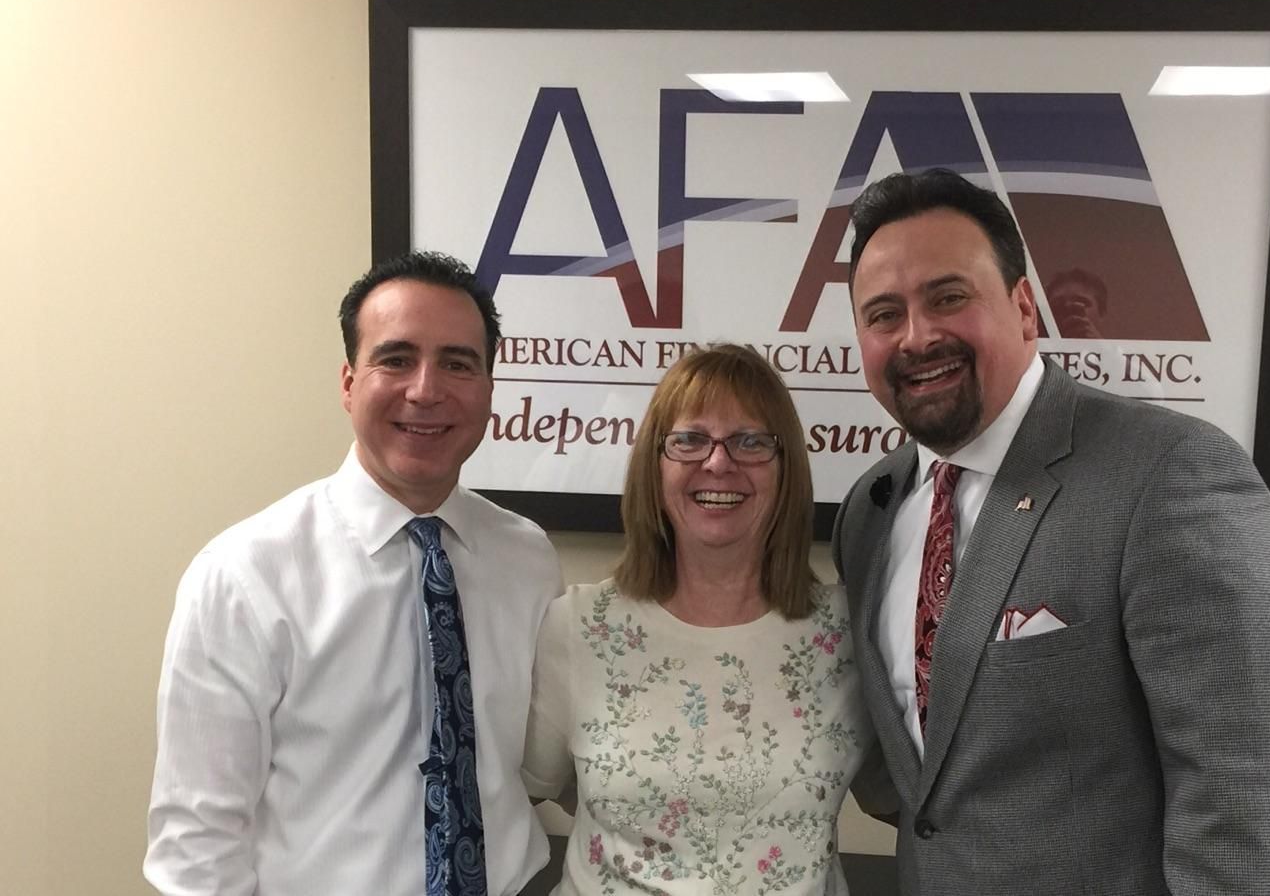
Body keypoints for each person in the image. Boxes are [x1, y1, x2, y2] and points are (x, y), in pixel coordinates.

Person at [832, 169, 1270, 895]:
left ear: (1025, 307)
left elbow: (1246, 791)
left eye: (948, 297)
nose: (918, 336)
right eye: (883, 314)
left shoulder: (1168, 473)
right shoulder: (869, 510)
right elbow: (921, 783)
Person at [145, 251, 563, 896]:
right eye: (395, 359)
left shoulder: (526, 557)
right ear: (347, 382)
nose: (426, 389)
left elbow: (533, 769)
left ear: (488, 389)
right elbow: (196, 842)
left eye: (458, 363)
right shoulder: (243, 575)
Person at [522, 344, 874, 895]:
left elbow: (897, 798)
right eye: (688, 439)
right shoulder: (579, 626)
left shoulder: (847, 633)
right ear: (654, 466)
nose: (717, 462)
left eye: (750, 441)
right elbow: (534, 789)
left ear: (787, 470)